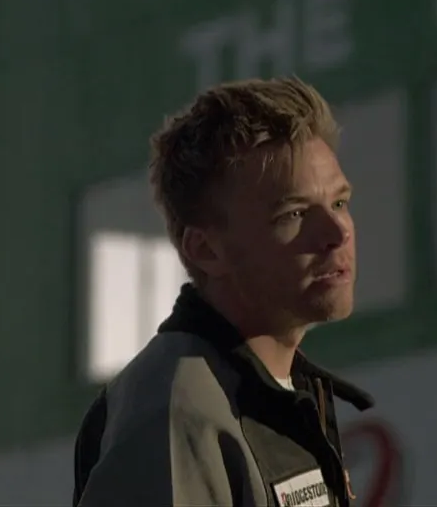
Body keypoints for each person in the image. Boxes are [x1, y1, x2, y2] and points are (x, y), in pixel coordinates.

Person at [72, 77, 375, 507]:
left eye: (340, 203)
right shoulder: (176, 409)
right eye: (293, 214)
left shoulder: (276, 389)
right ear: (206, 250)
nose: (337, 232)